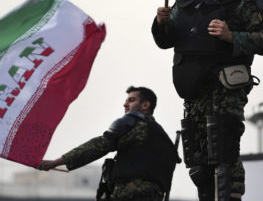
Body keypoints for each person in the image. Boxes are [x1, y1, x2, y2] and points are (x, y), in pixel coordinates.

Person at [151, 0, 263, 201]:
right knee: (199, 165)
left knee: (224, 155)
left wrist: (232, 36)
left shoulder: (242, 1)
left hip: (224, 92)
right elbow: (165, 41)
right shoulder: (186, 3)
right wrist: (161, 23)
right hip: (193, 95)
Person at [37, 86, 178, 201]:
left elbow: (99, 146)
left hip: (130, 193)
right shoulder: (159, 134)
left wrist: (55, 162)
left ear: (145, 105)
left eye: (131, 100)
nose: (125, 104)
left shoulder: (135, 125)